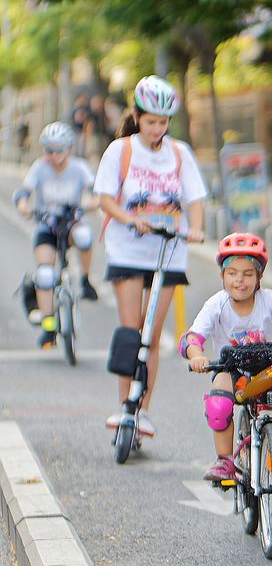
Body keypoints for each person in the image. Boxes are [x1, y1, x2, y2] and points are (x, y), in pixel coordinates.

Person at [180, 232, 272, 509]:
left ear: (259, 277)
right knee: (217, 405)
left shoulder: (270, 300)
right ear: (222, 277)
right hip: (234, 370)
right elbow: (193, 337)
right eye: (233, 273)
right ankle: (225, 460)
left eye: (248, 274)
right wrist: (197, 356)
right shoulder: (215, 305)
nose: (240, 280)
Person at [94, 75, 206, 438]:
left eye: (163, 122)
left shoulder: (179, 153)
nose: (157, 129)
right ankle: (124, 404)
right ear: (137, 117)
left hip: (168, 251)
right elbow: (106, 198)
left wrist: (198, 228)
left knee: (153, 335)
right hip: (128, 248)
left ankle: (144, 410)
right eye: (151, 121)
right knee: (132, 329)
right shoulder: (121, 150)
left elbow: (195, 198)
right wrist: (131, 219)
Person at [13, 122, 99, 349]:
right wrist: (23, 205)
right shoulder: (39, 168)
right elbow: (24, 192)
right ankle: (48, 325)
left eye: (59, 150)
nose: (54, 155)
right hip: (47, 225)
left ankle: (86, 280)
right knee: (44, 275)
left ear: (69, 148)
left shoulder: (79, 168)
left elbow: (98, 193)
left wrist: (91, 204)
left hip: (71, 222)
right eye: (49, 150)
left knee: (83, 236)